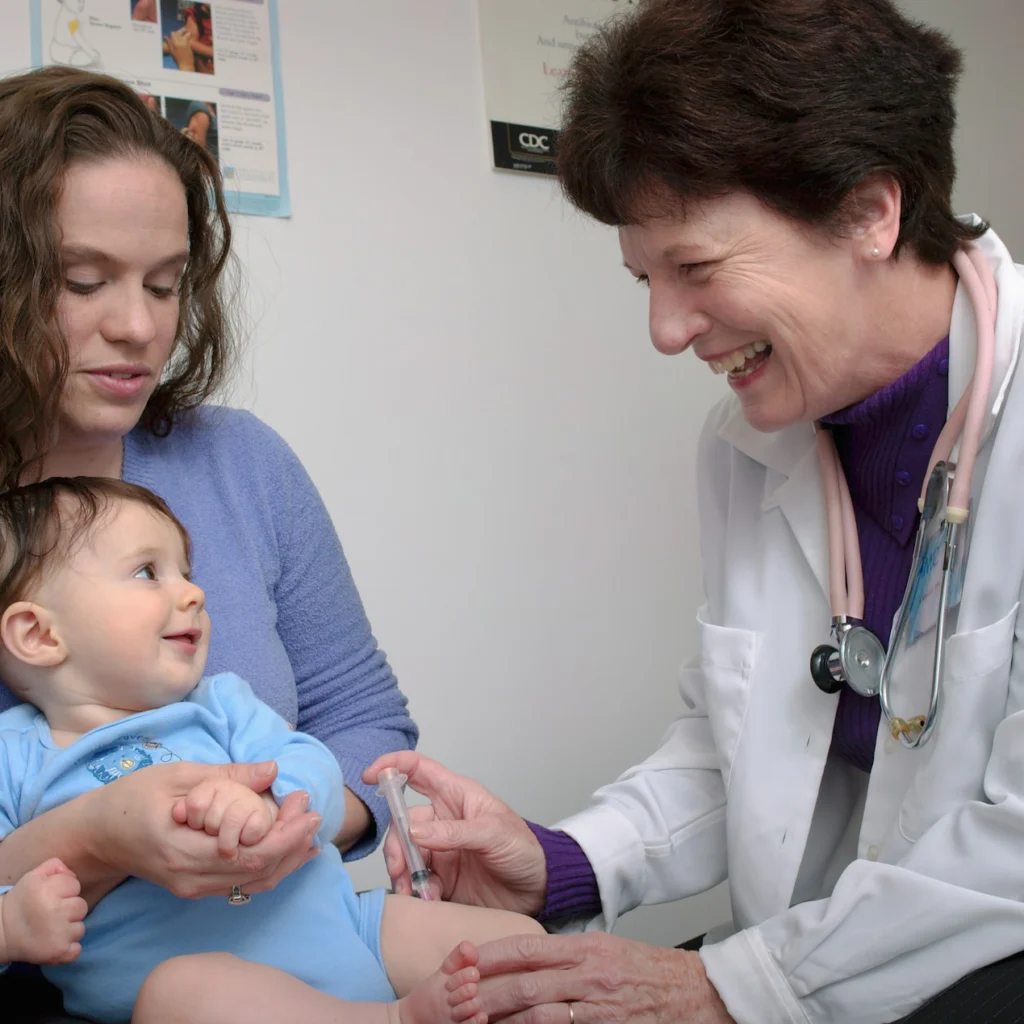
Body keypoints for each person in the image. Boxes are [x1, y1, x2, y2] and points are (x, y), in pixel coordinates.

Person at [368, 1, 1024, 1022]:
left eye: (697, 270)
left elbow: (1012, 849)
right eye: (643, 277)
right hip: (827, 961)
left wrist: (731, 986)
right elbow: (743, 740)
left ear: (868, 213)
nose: (666, 330)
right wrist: (560, 860)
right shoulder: (752, 441)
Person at [0, 66, 416, 1016]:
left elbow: (365, 723)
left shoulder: (241, 465)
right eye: (82, 281)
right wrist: (99, 838)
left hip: (300, 951)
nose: (139, 327)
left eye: (166, 283)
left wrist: (286, 821)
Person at [0, 477, 540, 1023]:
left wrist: (273, 803)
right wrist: (10, 925)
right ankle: (393, 1018)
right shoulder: (13, 756)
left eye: (186, 573)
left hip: (347, 927)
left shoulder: (221, 702)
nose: (194, 593)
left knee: (521, 944)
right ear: (38, 635)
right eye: (147, 572)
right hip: (200, 991)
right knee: (186, 991)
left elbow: (313, 766)